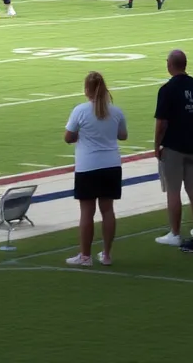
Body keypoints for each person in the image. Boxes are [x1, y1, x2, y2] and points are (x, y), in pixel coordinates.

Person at [65, 72, 128, 267]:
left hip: (88, 166)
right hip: (111, 165)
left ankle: (85, 256)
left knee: (87, 212)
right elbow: (123, 135)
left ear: (86, 90)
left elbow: (68, 137)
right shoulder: (115, 112)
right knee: (108, 210)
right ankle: (107, 254)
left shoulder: (80, 110)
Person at [154, 49, 193, 246]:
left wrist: (156, 146)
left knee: (173, 191)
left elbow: (161, 124)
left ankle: (175, 233)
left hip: (174, 147)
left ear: (170, 65)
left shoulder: (167, 89)